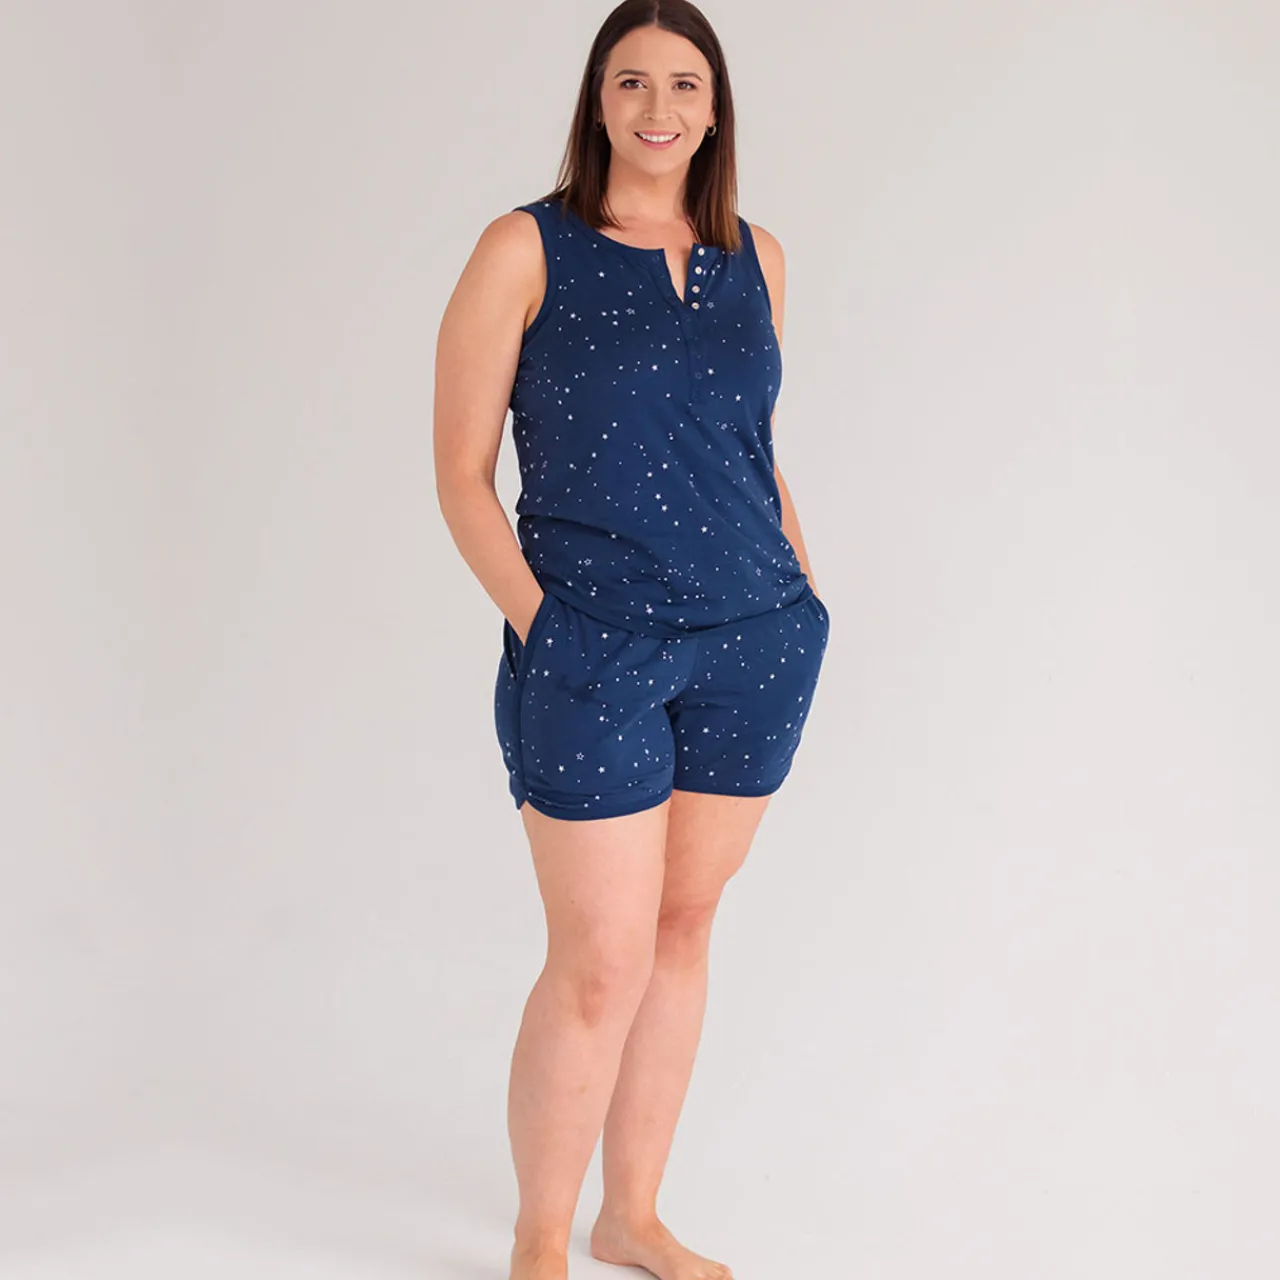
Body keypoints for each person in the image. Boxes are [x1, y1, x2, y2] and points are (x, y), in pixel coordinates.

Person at [434, 3, 829, 1277]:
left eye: (682, 84)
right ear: (596, 101)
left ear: (714, 110)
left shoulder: (757, 258)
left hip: (752, 645)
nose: (657, 107)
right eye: (630, 82)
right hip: (591, 654)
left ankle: (631, 1215)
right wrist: (545, 627)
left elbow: (750, 452)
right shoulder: (525, 247)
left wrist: (802, 593)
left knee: (680, 928)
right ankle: (538, 1239)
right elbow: (459, 477)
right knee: (597, 960)